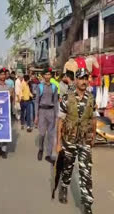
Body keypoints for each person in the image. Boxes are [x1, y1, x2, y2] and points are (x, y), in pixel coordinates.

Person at [56, 69, 96, 214]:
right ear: (76, 80)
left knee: (86, 172)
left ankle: (87, 204)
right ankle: (64, 187)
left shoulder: (91, 98)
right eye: (81, 78)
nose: (84, 81)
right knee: (67, 168)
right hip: (70, 139)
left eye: (86, 78)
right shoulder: (67, 98)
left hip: (85, 140)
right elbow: (60, 121)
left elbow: (94, 118)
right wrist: (58, 142)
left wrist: (92, 137)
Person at [35, 68, 59, 164]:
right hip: (42, 111)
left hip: (51, 111)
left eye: (49, 74)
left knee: (51, 134)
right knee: (41, 133)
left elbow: (56, 102)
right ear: (43, 76)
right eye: (46, 74)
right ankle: (41, 148)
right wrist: (36, 116)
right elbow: (36, 101)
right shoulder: (39, 87)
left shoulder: (54, 87)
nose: (48, 76)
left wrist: (57, 115)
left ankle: (48, 154)